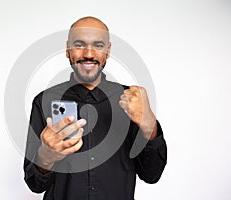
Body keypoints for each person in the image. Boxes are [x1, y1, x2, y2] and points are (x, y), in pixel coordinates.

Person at [24, 16, 167, 200]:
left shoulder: (133, 101)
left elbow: (152, 175)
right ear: (68, 49)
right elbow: (35, 185)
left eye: (98, 45)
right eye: (79, 44)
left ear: (108, 51)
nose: (89, 54)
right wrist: (46, 156)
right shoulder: (44, 101)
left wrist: (149, 124)